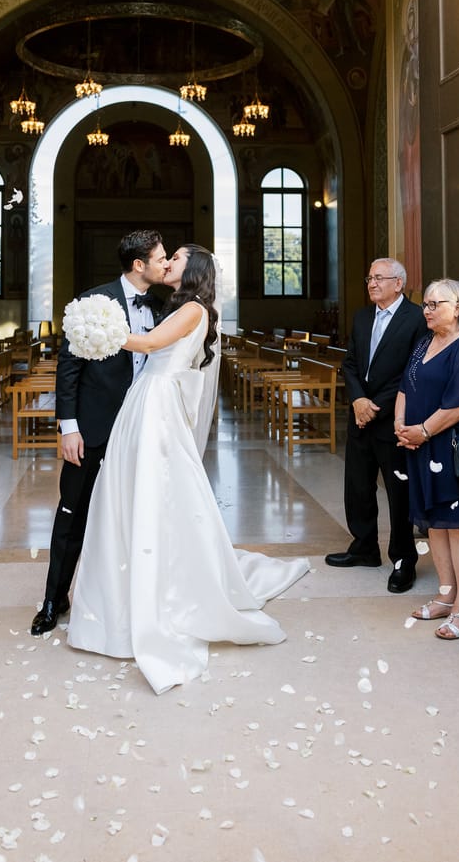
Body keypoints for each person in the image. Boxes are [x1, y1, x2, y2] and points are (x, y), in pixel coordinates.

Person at [67, 244, 310, 694]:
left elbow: (149, 343)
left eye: (175, 258)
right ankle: (127, 584)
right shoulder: (180, 306)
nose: (168, 263)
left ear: (192, 269)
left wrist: (96, 330)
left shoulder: (194, 309)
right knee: (132, 490)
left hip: (156, 405)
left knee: (155, 491)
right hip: (146, 401)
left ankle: (157, 586)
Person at [30, 229, 168, 635]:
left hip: (141, 428)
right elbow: (68, 368)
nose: (164, 263)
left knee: (133, 513)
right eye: (159, 257)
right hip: (93, 428)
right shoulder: (93, 303)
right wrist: (68, 427)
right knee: (72, 513)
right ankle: (54, 598)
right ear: (139, 264)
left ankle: (120, 596)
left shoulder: (162, 309)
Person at [394, 278, 459, 639]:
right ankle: (446, 596)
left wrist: (423, 430)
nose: (428, 309)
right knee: (435, 524)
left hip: (451, 448)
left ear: (458, 306)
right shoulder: (424, 343)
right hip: (420, 445)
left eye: (436, 304)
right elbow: (406, 385)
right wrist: (401, 425)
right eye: (426, 304)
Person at [326, 258, 427, 593]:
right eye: (369, 277)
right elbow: (351, 363)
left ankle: (403, 560)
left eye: (379, 278)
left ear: (398, 283)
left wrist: (375, 406)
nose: (371, 283)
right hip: (360, 416)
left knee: (399, 493)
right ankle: (364, 547)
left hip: (392, 419)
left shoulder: (416, 319)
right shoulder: (362, 316)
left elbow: (411, 372)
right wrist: (357, 400)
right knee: (357, 486)